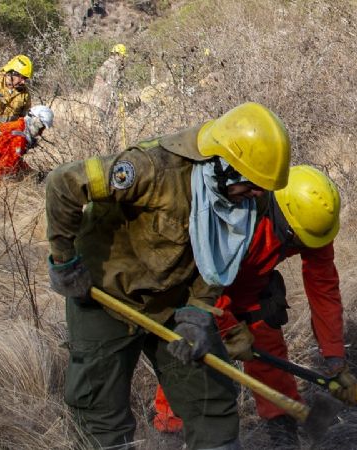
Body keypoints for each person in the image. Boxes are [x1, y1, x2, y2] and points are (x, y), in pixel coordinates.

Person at [45, 102, 291, 450]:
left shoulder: (251, 198)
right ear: (223, 166)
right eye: (253, 185)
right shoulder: (153, 170)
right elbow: (63, 182)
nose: (259, 195)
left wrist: (200, 310)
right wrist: (64, 260)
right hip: (107, 297)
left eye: (263, 187)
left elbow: (222, 256)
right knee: (99, 410)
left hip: (174, 305)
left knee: (212, 400)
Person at [151, 165, 357, 448]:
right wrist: (229, 329)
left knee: (267, 337)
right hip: (202, 295)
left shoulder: (313, 223)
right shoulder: (238, 212)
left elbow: (323, 289)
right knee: (193, 350)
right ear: (280, 213)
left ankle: (281, 427)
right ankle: (170, 430)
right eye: (294, 240)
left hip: (251, 289)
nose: (299, 246)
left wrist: (334, 357)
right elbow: (203, 275)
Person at [0, 105, 54, 180]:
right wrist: (29, 177)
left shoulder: (16, 127)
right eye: (41, 127)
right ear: (34, 120)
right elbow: (8, 166)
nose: (40, 133)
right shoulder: (18, 135)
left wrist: (33, 174)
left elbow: (15, 161)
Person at [91, 43, 127, 117]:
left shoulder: (109, 63)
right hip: (104, 101)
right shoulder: (112, 65)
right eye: (122, 56)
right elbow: (113, 84)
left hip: (100, 100)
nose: (123, 59)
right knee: (107, 124)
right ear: (117, 54)